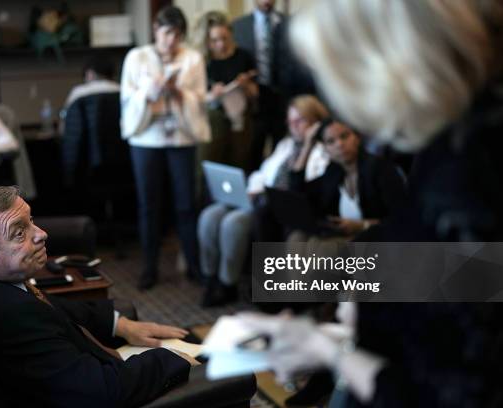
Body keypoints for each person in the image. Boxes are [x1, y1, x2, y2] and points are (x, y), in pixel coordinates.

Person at [236, 0, 503, 406]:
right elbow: (479, 276)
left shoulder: (462, 174)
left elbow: (447, 392)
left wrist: (328, 350)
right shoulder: (464, 138)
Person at [0, 185, 197, 407]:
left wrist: (120, 324)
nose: (41, 233)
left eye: (31, 220)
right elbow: (102, 393)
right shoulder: (10, 318)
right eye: (19, 232)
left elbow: (47, 307)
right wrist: (170, 359)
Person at [198, 95, 329, 307]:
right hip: (256, 195)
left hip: (277, 205)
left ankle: (226, 283)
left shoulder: (322, 151)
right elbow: (263, 172)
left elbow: (307, 187)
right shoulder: (285, 144)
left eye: (300, 121)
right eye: (290, 121)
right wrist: (251, 189)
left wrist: (308, 143)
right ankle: (209, 276)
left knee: (233, 222)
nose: (294, 127)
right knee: (209, 215)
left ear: (316, 122)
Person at [120, 6, 211, 290]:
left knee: (186, 204)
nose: (172, 40)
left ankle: (193, 266)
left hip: (181, 138)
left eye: (178, 35)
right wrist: (150, 90)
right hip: (147, 139)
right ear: (156, 29)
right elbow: (127, 98)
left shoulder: (193, 58)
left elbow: (200, 97)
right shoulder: (137, 57)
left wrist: (178, 92)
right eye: (167, 32)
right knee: (149, 205)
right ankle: (149, 268)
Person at [287, 119, 407, 240]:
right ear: (325, 149)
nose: (339, 144)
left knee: (323, 248)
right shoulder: (333, 172)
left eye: (344, 136)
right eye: (330, 141)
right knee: (297, 237)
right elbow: (297, 193)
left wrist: (362, 225)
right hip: (345, 239)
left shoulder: (380, 169)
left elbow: (401, 220)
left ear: (357, 138)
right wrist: (307, 146)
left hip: (377, 240)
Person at [191, 11, 258, 173]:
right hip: (211, 124)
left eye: (225, 38)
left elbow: (255, 94)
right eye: (214, 40)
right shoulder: (199, 62)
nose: (221, 44)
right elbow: (191, 98)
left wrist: (245, 85)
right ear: (206, 40)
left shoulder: (243, 56)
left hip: (239, 124)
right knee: (209, 170)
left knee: (239, 168)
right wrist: (211, 95)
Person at [232, 0, 287, 172]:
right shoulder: (238, 26)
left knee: (283, 151)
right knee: (252, 151)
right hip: (253, 99)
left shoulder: (290, 24)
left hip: (284, 97)